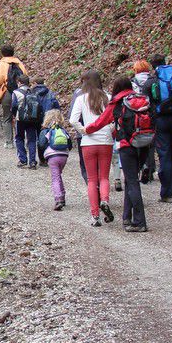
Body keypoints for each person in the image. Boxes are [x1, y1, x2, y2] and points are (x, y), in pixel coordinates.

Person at [86, 76, 153, 232]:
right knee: (131, 180)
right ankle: (126, 218)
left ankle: (139, 221)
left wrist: (86, 130)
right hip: (144, 142)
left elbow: (100, 122)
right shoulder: (141, 98)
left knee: (132, 181)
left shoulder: (118, 103)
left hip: (126, 145)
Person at [70, 70, 115, 227]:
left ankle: (95, 215)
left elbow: (73, 120)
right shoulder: (108, 97)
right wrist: (109, 129)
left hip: (88, 142)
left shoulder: (81, 99)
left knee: (91, 179)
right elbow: (115, 118)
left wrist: (84, 130)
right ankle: (104, 200)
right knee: (104, 177)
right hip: (106, 141)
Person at [143, 54, 172, 202]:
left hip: (161, 121)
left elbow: (145, 104)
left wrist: (151, 121)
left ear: (152, 66)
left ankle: (167, 193)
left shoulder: (151, 82)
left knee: (164, 154)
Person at [0, 45, 27, 149]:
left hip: (7, 92)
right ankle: (22, 139)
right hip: (21, 92)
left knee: (7, 117)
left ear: (2, 53)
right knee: (21, 116)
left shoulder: (1, 64)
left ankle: (9, 142)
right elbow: (25, 76)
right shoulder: (19, 63)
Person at [38, 109, 72, 210]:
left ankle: (58, 199)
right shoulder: (63, 131)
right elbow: (69, 145)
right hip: (64, 156)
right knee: (58, 175)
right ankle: (63, 196)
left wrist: (42, 158)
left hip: (52, 156)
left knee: (55, 178)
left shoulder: (45, 131)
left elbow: (41, 145)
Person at [11, 75, 43, 169]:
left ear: (19, 82)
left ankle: (22, 160)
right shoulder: (33, 91)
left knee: (19, 138)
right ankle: (32, 161)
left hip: (20, 119)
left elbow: (14, 106)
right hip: (32, 119)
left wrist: (15, 114)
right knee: (32, 140)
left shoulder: (16, 92)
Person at [32, 78, 61, 166]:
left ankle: (41, 159)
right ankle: (47, 157)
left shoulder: (32, 93)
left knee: (38, 138)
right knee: (48, 137)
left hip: (35, 118)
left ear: (35, 83)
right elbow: (56, 106)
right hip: (48, 118)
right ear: (44, 83)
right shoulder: (50, 93)